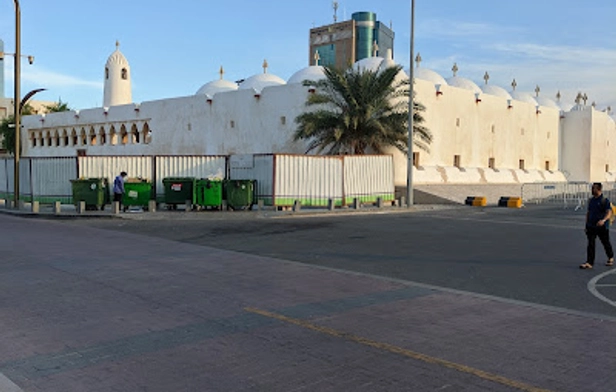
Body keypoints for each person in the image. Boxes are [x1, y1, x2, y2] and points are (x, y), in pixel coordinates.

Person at [580, 182, 615, 269]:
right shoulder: (591, 200)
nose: (592, 190)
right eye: (592, 188)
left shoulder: (604, 201)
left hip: (601, 226)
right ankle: (589, 262)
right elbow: (588, 213)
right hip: (591, 225)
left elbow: (609, 212)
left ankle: (610, 257)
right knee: (591, 244)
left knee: (605, 242)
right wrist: (586, 225)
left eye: (594, 188)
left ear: (599, 189)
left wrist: (603, 220)